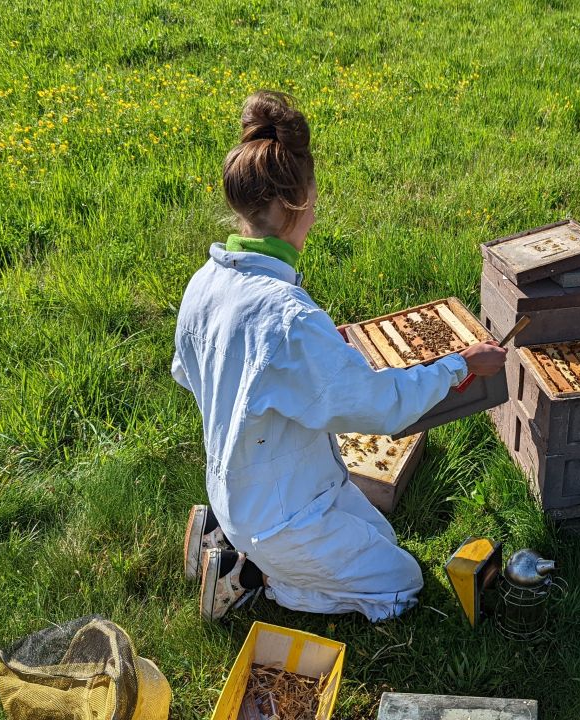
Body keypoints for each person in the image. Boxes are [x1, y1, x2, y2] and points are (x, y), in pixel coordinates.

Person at [171, 90, 507, 622]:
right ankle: (251, 572)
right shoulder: (289, 320)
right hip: (280, 515)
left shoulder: (204, 282)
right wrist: (461, 364)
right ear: (299, 200)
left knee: (382, 536)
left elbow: (192, 374)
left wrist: (320, 355)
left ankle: (224, 533)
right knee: (402, 584)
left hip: (253, 483)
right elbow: (381, 408)